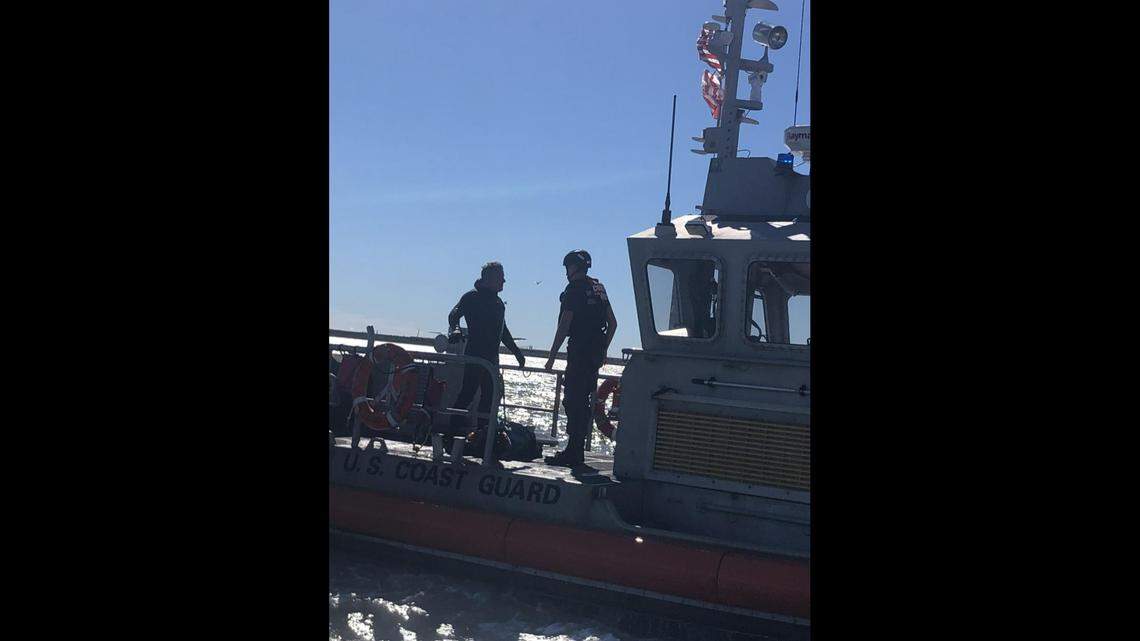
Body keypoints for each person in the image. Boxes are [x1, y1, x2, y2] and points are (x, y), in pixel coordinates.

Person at [543, 250, 617, 467]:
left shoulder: (574, 290)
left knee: (573, 401)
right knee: (584, 400)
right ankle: (577, 449)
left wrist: (551, 357)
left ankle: (573, 452)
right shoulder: (598, 288)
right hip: (594, 355)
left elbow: (564, 325)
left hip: (579, 352)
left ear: (572, 267)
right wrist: (603, 350)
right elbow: (613, 323)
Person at [447, 261, 527, 435]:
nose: (504, 281)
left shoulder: (499, 303)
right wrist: (456, 329)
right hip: (475, 354)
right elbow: (454, 314)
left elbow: (503, 332)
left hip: (492, 358)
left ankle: (484, 434)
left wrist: (517, 353)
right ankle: (452, 431)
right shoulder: (471, 297)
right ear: (488, 279)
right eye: (500, 277)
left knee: (489, 398)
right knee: (467, 393)